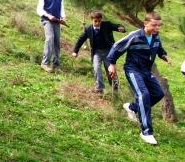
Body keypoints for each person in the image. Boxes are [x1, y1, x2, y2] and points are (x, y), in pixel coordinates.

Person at [107, 11, 171, 145]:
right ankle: (146, 132)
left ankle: (132, 107)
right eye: (154, 25)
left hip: (146, 71)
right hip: (133, 69)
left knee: (158, 93)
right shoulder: (135, 36)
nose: (157, 28)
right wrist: (112, 64)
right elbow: (117, 46)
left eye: (159, 26)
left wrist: (163, 55)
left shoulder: (156, 36)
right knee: (143, 94)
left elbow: (158, 48)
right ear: (145, 23)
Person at [72, 10, 126, 93]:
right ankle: (100, 87)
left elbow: (116, 26)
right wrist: (75, 51)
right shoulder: (88, 29)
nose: (97, 23)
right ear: (92, 20)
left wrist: (121, 28)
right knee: (96, 68)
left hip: (108, 51)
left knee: (110, 70)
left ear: (101, 20)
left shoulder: (107, 24)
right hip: (97, 52)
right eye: (95, 21)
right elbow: (81, 39)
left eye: (99, 21)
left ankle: (115, 88)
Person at [36, 0, 66, 72]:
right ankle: (44, 63)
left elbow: (62, 10)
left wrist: (62, 18)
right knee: (50, 38)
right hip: (47, 20)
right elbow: (39, 10)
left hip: (56, 21)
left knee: (57, 41)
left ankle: (56, 65)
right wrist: (48, 16)